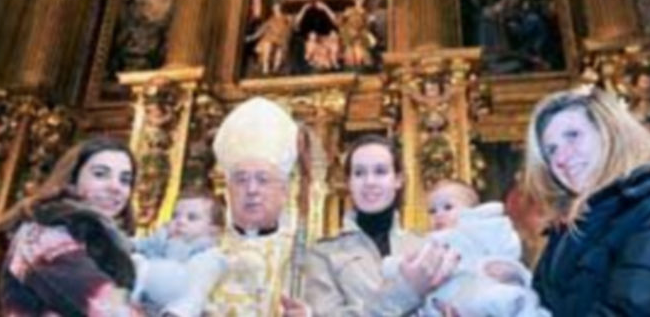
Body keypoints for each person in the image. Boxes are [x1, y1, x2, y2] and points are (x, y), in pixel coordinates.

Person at [524, 86, 650, 316]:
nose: (562, 158)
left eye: (573, 136)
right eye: (551, 151)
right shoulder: (567, 233)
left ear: (610, 134)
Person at [298, 134, 460, 316]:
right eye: (359, 173)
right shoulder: (324, 255)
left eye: (380, 171)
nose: (370, 182)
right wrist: (407, 291)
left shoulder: (424, 248)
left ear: (398, 179)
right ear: (348, 182)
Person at [0, 137, 142, 316]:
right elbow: (105, 303)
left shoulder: (109, 243)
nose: (116, 187)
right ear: (71, 180)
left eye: (125, 180)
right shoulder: (42, 235)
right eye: (100, 174)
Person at [204, 97, 302, 316]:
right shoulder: (203, 248)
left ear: (284, 190)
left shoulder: (304, 258)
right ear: (227, 189)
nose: (252, 189)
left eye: (263, 179)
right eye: (241, 179)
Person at [403, 179, 549, 317]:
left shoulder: (485, 229)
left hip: (486, 286)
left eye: (448, 207)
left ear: (471, 211)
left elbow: (508, 251)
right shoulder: (428, 243)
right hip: (451, 298)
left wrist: (510, 270)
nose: (439, 215)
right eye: (432, 211)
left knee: (512, 300)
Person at [130, 189, 227, 316]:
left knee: (199, 276)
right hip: (146, 303)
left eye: (192, 218)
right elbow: (141, 245)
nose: (180, 221)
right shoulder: (163, 243)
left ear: (213, 231)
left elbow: (195, 292)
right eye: (175, 216)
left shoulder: (207, 255)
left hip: (180, 308)